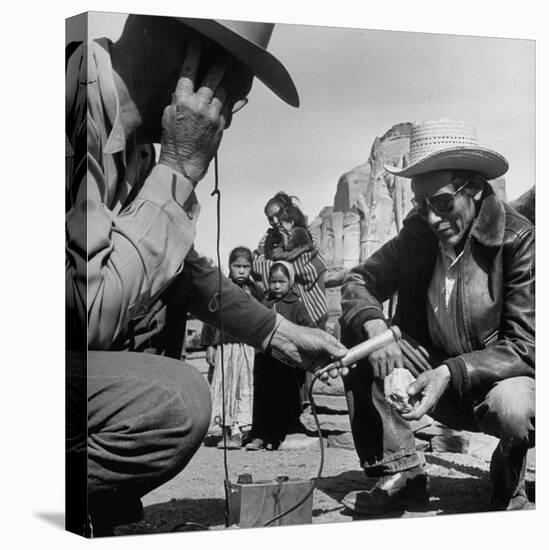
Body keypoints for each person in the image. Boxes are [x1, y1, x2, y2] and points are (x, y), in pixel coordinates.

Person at [65, 15, 348, 536]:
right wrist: (179, 170)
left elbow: (188, 273)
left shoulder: (138, 147)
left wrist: (278, 333)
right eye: (232, 95)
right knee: (176, 401)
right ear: (191, 61)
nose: (227, 120)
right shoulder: (59, 106)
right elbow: (83, 318)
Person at [339, 118, 535, 515]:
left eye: (443, 203)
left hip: (493, 379)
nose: (432, 218)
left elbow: (526, 346)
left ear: (476, 188)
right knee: (362, 340)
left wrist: (450, 373)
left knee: (514, 409)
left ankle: (509, 469)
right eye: (421, 204)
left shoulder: (517, 239)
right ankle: (403, 475)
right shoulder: (418, 234)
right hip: (430, 366)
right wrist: (377, 328)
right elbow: (359, 280)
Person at [201, 247, 263, 449]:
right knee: (225, 386)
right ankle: (226, 431)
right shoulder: (221, 289)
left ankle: (239, 431)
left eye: (246, 266)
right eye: (237, 266)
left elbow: (263, 318)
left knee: (243, 388)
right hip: (225, 348)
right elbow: (210, 318)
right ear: (230, 266)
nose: (242, 271)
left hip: (246, 348)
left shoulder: (256, 292)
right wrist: (210, 345)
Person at [246, 262, 313, 450]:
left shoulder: (297, 305)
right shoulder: (265, 303)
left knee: (282, 400)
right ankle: (258, 435)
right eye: (273, 281)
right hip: (265, 360)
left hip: (287, 364)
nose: (276, 286)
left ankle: (275, 437)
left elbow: (308, 328)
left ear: (290, 282)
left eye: (281, 282)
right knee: (262, 399)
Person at [254, 192, 328, 328]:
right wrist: (283, 268)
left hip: (309, 303)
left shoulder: (305, 232)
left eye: (277, 215)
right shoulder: (268, 238)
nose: (275, 221)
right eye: (270, 219)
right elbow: (257, 262)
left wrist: (278, 266)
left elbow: (313, 260)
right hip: (282, 307)